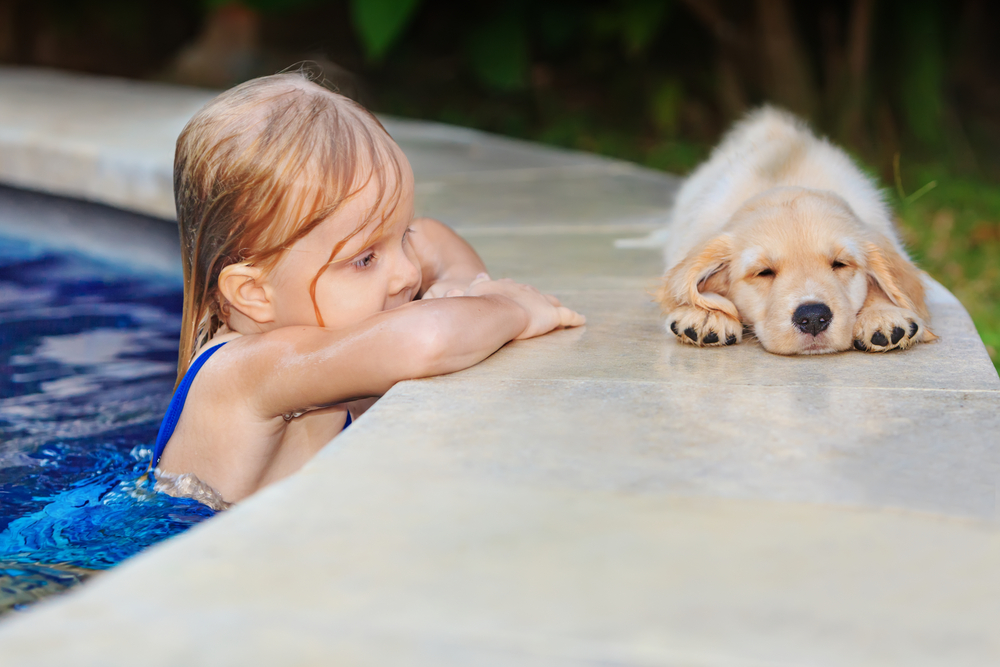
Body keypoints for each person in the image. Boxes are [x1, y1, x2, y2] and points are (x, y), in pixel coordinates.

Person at [150, 73, 585, 508]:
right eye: (365, 259)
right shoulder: (246, 372)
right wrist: (508, 307)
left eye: (399, 238)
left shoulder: (318, 320)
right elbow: (423, 340)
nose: (407, 275)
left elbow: (432, 238)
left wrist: (458, 284)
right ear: (255, 294)